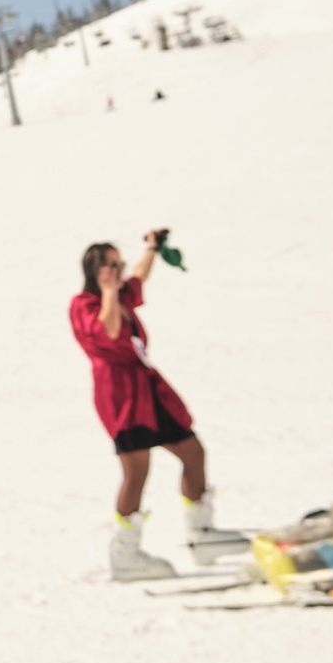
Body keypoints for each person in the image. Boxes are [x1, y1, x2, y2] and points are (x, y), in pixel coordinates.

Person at [71, 233, 215, 581]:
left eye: (119, 264)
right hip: (120, 395)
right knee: (136, 471)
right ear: (96, 270)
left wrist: (151, 248)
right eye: (111, 265)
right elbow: (107, 331)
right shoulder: (86, 303)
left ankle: (202, 534)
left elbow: (139, 276)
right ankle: (125, 554)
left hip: (148, 389)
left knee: (193, 451)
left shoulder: (121, 293)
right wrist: (108, 293)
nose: (119, 270)